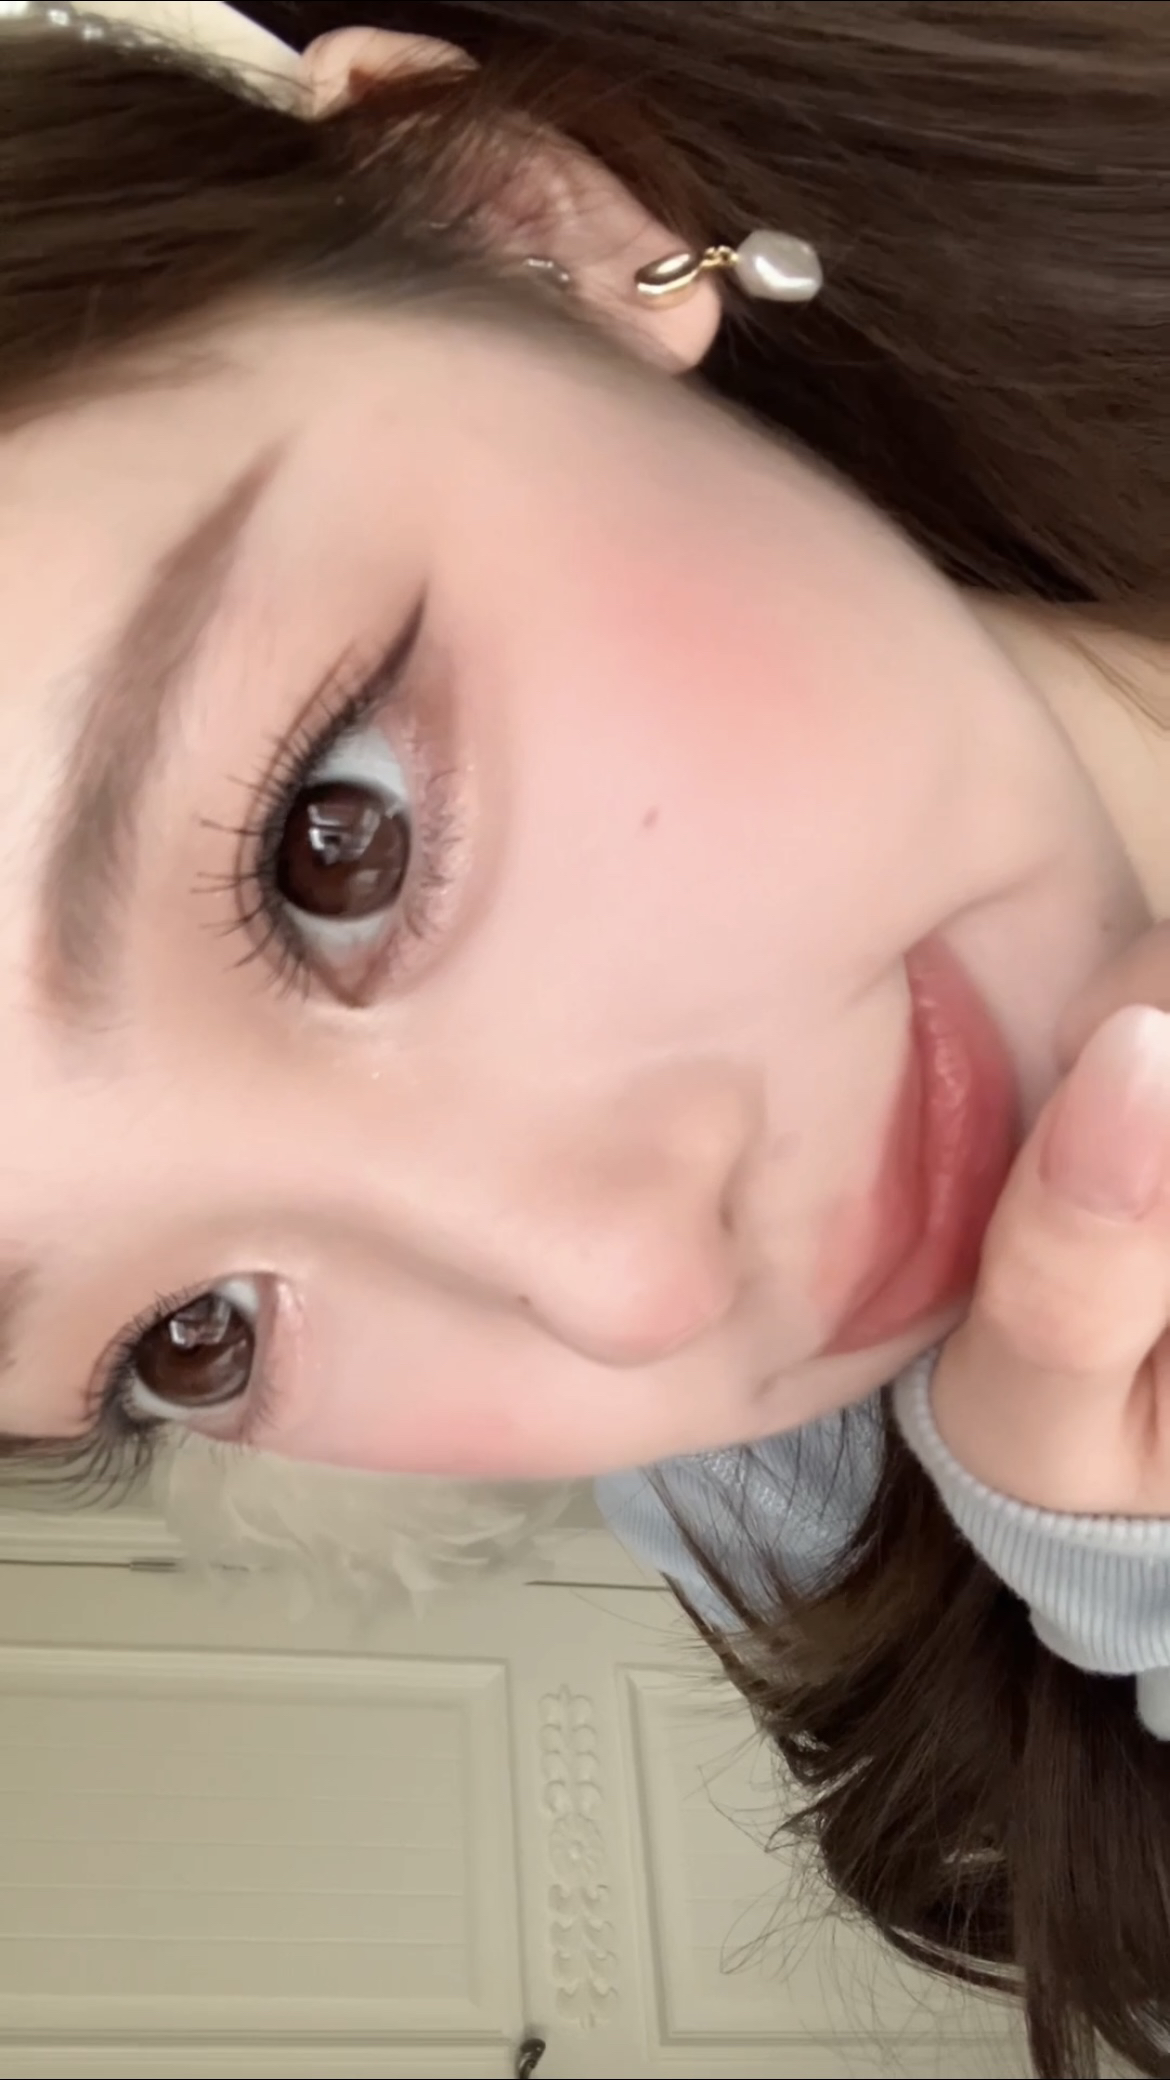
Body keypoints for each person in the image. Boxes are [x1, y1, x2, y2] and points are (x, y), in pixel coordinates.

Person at [4, 0, 1170, 2069]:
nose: (631, 1289)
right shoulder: (796, 1514)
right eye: (194, 1339)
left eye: (334, 842)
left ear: (523, 230)